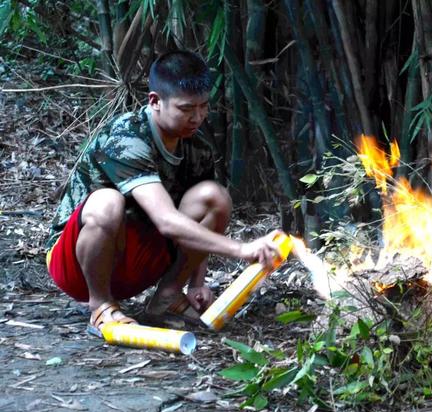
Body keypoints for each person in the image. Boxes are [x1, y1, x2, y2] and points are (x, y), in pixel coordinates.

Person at [45, 50, 281, 337]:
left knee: (213, 196)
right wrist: (242, 249)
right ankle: (101, 307)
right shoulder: (126, 136)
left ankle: (166, 299)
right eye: (186, 109)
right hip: (76, 266)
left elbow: (198, 221)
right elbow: (167, 220)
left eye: (203, 107)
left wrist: (196, 283)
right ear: (155, 101)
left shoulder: (197, 148)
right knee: (107, 202)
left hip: (139, 261)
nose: (197, 117)